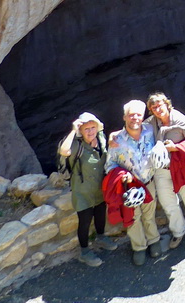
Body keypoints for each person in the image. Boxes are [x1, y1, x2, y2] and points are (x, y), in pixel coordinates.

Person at [146, 92, 185, 252]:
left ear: (167, 104)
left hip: (181, 168)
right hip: (162, 169)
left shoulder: (179, 119)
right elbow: (135, 130)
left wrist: (176, 148)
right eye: (154, 107)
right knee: (168, 202)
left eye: (160, 105)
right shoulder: (150, 123)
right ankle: (178, 231)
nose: (157, 109)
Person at [105, 100, 162, 266]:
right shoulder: (117, 140)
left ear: (142, 116)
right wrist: (122, 175)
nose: (135, 118)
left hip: (148, 181)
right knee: (133, 218)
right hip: (130, 187)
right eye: (131, 115)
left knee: (149, 214)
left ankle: (154, 240)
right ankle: (139, 247)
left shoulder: (150, 130)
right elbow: (110, 165)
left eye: (138, 115)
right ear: (124, 117)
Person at [57, 113, 115, 267]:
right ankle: (84, 251)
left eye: (92, 128)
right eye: (86, 129)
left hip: (99, 187)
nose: (90, 131)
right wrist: (73, 130)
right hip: (82, 191)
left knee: (100, 214)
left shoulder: (101, 139)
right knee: (85, 221)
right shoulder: (77, 145)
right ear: (81, 131)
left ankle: (101, 237)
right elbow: (64, 151)